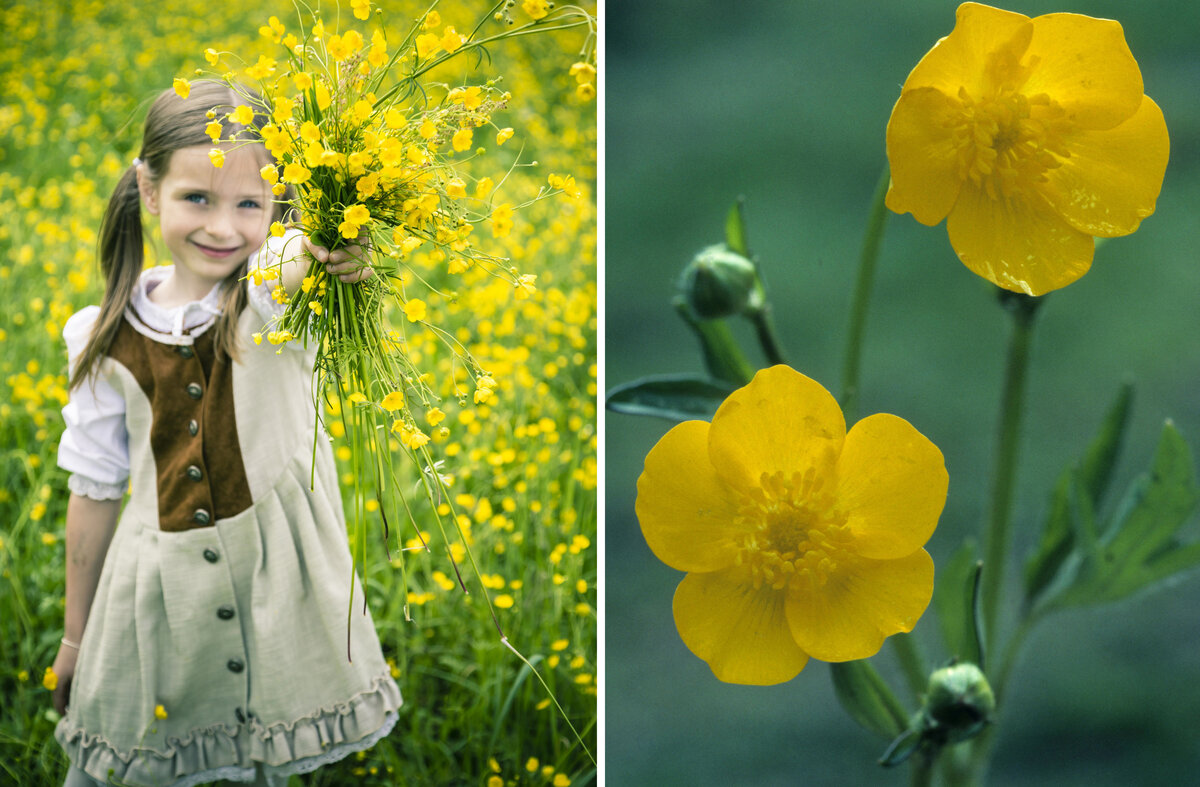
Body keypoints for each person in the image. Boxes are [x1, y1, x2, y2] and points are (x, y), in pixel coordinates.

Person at [50, 81, 402, 787]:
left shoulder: (272, 293)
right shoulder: (99, 336)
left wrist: (347, 248)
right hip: (157, 593)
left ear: (279, 204)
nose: (223, 227)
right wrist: (74, 636)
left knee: (256, 755)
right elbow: (92, 493)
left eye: (250, 203)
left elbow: (317, 256)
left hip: (276, 579)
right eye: (197, 199)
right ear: (149, 192)